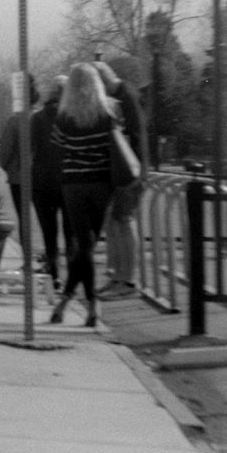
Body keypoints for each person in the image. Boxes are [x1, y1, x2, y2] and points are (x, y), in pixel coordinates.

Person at [49, 62, 119, 328]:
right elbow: (115, 146)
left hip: (73, 185)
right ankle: (89, 306)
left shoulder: (64, 116)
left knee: (83, 245)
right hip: (101, 184)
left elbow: (59, 149)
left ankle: (70, 301)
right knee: (87, 247)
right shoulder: (108, 113)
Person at [93, 58, 146, 300]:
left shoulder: (127, 96)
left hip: (129, 171)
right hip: (121, 170)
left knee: (123, 221)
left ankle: (127, 280)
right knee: (115, 223)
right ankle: (117, 277)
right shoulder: (122, 94)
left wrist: (138, 173)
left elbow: (136, 135)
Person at [30, 75, 68, 288]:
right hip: (67, 181)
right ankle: (72, 277)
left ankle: (54, 276)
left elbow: (30, 148)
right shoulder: (71, 116)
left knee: (49, 233)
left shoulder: (38, 118)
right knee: (71, 232)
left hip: (42, 182)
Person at [0, 74, 39, 225]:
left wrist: (8, 167)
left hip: (18, 176)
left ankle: (25, 248)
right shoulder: (40, 117)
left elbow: (5, 151)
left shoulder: (15, 121)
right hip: (40, 175)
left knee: (24, 219)